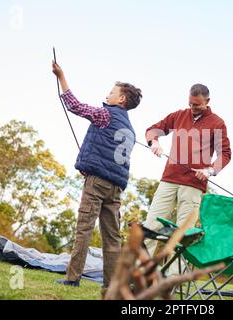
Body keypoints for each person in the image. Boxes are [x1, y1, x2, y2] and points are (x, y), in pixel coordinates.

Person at [52, 61, 142, 290]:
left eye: (112, 92)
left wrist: (61, 76)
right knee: (112, 238)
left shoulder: (105, 115)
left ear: (121, 99)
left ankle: (72, 278)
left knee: (84, 228)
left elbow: (75, 106)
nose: (107, 95)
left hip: (97, 183)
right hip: (116, 188)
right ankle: (111, 286)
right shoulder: (130, 130)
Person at [143, 84, 231, 264]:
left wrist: (209, 170)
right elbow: (152, 130)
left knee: (183, 236)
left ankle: (172, 282)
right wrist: (154, 142)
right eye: (190, 103)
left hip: (193, 185)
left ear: (207, 101)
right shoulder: (179, 115)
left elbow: (225, 154)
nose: (193, 108)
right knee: (151, 226)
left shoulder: (217, 123)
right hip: (169, 179)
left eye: (197, 105)